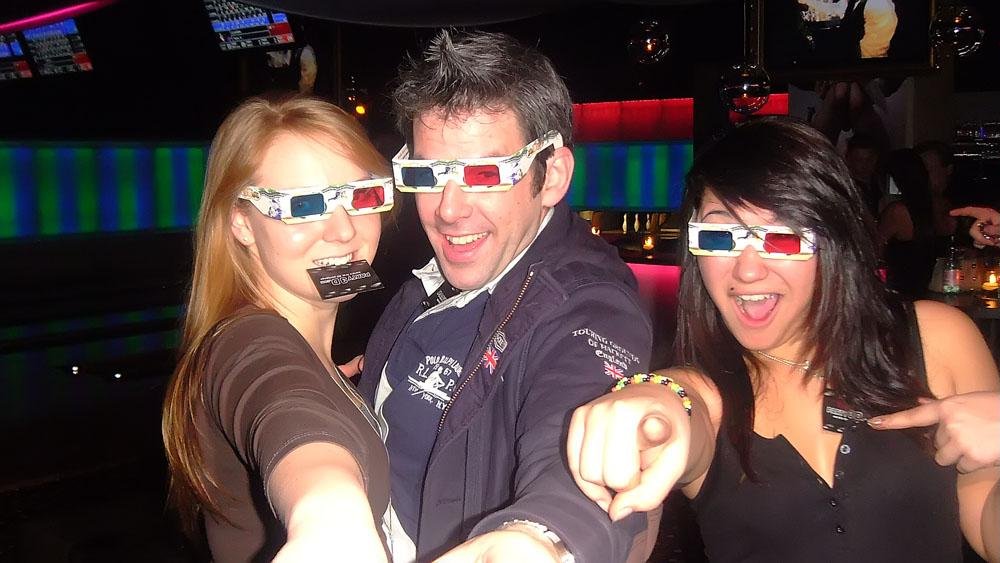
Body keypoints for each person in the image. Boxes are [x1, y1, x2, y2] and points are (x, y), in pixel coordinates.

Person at [567, 117, 1000, 562]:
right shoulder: (713, 394)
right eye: (720, 236)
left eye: (782, 237)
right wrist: (655, 398)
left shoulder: (937, 337)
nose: (747, 270)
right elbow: (679, 400)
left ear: (834, 239)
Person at [356, 29, 656, 562]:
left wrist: (541, 535)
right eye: (428, 173)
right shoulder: (432, 280)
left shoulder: (589, 303)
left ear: (552, 175)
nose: (448, 210)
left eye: (484, 173)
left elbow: (576, 419)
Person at [161, 95, 392, 562]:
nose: (344, 231)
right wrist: (329, 518)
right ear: (242, 224)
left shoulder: (297, 347)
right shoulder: (246, 342)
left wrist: (336, 384)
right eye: (303, 205)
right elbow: (284, 407)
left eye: (360, 196)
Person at [877, 148, 936, 298]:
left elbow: (875, 248)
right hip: (928, 287)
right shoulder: (938, 206)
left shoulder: (897, 211)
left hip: (900, 290)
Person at [916, 140, 958, 239]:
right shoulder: (910, 207)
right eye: (920, 171)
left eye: (929, 170)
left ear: (948, 169)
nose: (923, 176)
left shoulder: (960, 200)